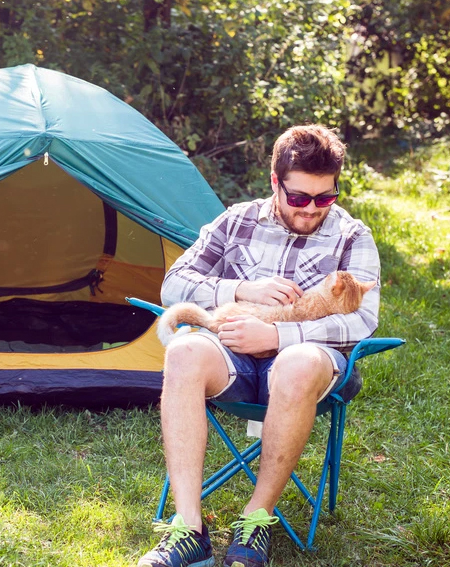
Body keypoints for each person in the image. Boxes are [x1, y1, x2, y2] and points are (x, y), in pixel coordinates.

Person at [137, 125, 379, 567]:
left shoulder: (352, 236)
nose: (312, 210)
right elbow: (173, 285)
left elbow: (363, 319)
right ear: (275, 183)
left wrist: (279, 337)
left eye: (325, 197)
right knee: (183, 351)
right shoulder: (237, 220)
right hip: (231, 356)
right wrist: (242, 290)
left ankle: (257, 518)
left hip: (309, 368)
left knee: (298, 363)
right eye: (300, 198)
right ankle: (189, 529)